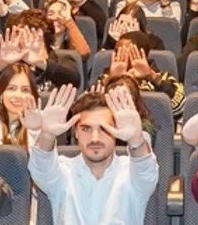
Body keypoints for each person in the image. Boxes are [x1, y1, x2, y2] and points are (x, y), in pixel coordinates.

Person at [27, 84, 158, 225]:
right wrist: (47, 134)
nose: (95, 138)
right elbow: (40, 168)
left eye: (103, 128)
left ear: (117, 130)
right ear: (76, 132)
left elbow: (145, 171)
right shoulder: (63, 171)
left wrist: (135, 139)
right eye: (86, 128)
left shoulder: (131, 173)